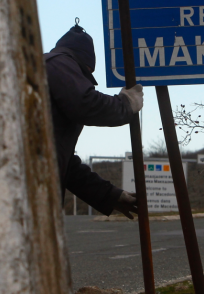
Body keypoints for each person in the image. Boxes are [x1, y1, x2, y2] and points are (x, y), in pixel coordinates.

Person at [45, 23, 144, 219]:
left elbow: (67, 167)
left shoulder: (51, 69)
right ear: (85, 65)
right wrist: (125, 104)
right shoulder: (58, 63)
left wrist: (111, 196)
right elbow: (86, 102)